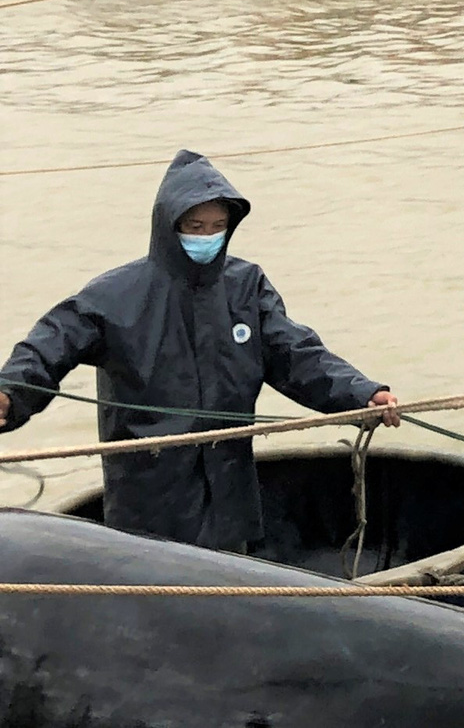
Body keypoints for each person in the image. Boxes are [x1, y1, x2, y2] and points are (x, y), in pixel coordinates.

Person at [0, 149, 397, 551]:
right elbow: (50, 344)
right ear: (169, 225)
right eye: (195, 225)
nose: (206, 236)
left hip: (230, 501)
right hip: (150, 505)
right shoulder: (114, 296)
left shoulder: (246, 286)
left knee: (229, 590)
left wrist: (361, 394)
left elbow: (297, 354)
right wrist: (10, 393)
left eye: (217, 226)